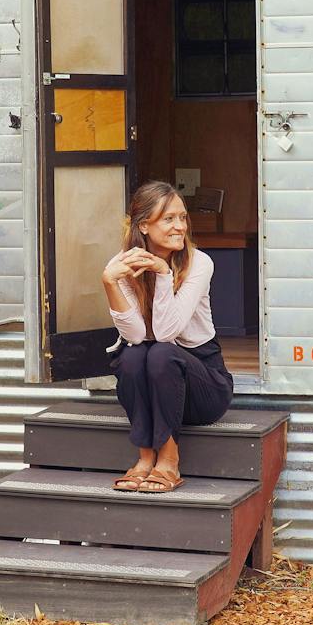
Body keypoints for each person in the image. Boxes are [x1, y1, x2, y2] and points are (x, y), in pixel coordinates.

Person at [101, 180, 234, 493]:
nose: (180, 227)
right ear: (144, 226)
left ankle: (169, 459)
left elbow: (165, 333)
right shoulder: (121, 265)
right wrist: (109, 283)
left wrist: (163, 274)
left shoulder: (199, 263)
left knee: (161, 351)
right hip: (155, 389)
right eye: (169, 219)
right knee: (132, 354)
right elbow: (135, 335)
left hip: (203, 389)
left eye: (182, 217)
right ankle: (145, 458)